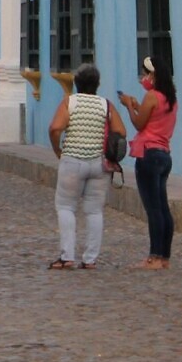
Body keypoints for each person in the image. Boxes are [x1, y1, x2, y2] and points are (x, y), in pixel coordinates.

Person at [46, 63, 124, 270]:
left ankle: (67, 255)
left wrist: (57, 148)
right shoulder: (105, 105)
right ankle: (90, 258)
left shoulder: (70, 102)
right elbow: (121, 131)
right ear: (97, 85)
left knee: (65, 207)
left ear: (76, 83)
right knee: (94, 211)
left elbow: (55, 128)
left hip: (72, 160)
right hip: (99, 165)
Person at [119, 55, 179, 270]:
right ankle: (164, 257)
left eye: (145, 74)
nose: (143, 78)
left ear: (153, 75)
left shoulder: (152, 97)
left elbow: (139, 123)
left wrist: (128, 106)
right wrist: (137, 104)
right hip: (164, 155)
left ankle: (153, 256)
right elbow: (152, 119)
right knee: (163, 208)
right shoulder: (170, 98)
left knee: (153, 209)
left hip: (148, 155)